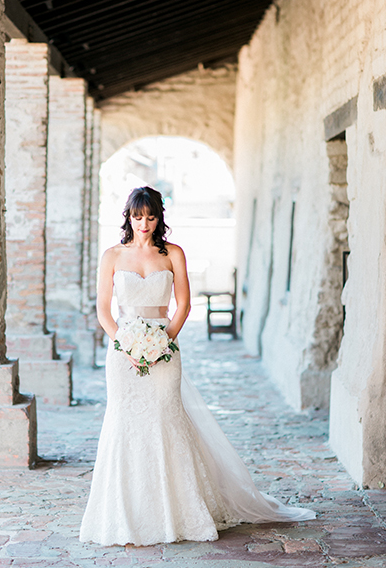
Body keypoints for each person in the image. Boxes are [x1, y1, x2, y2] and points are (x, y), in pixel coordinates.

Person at [79, 186, 315, 547]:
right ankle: (127, 514)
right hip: (123, 353)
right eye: (137, 216)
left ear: (160, 217)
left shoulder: (173, 253)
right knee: (125, 423)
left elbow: (184, 305)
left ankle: (179, 512)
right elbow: (103, 310)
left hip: (164, 348)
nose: (144, 223)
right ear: (127, 216)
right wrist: (125, 344)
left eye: (151, 216)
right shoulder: (112, 256)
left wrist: (162, 343)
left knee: (165, 420)